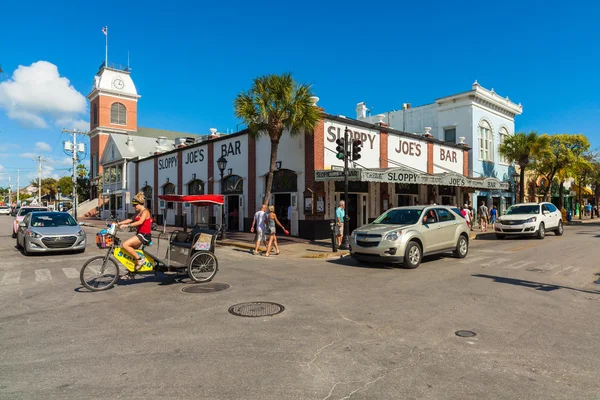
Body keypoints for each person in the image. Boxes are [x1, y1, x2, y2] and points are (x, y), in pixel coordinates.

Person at [118, 192, 153, 273]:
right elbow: (130, 219)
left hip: (145, 235)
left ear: (140, 204)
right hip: (139, 234)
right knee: (130, 253)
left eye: (134, 205)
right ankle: (132, 273)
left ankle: (140, 260)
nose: (133, 207)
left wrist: (128, 226)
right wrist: (119, 223)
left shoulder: (145, 212)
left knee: (125, 245)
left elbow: (140, 222)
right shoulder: (138, 212)